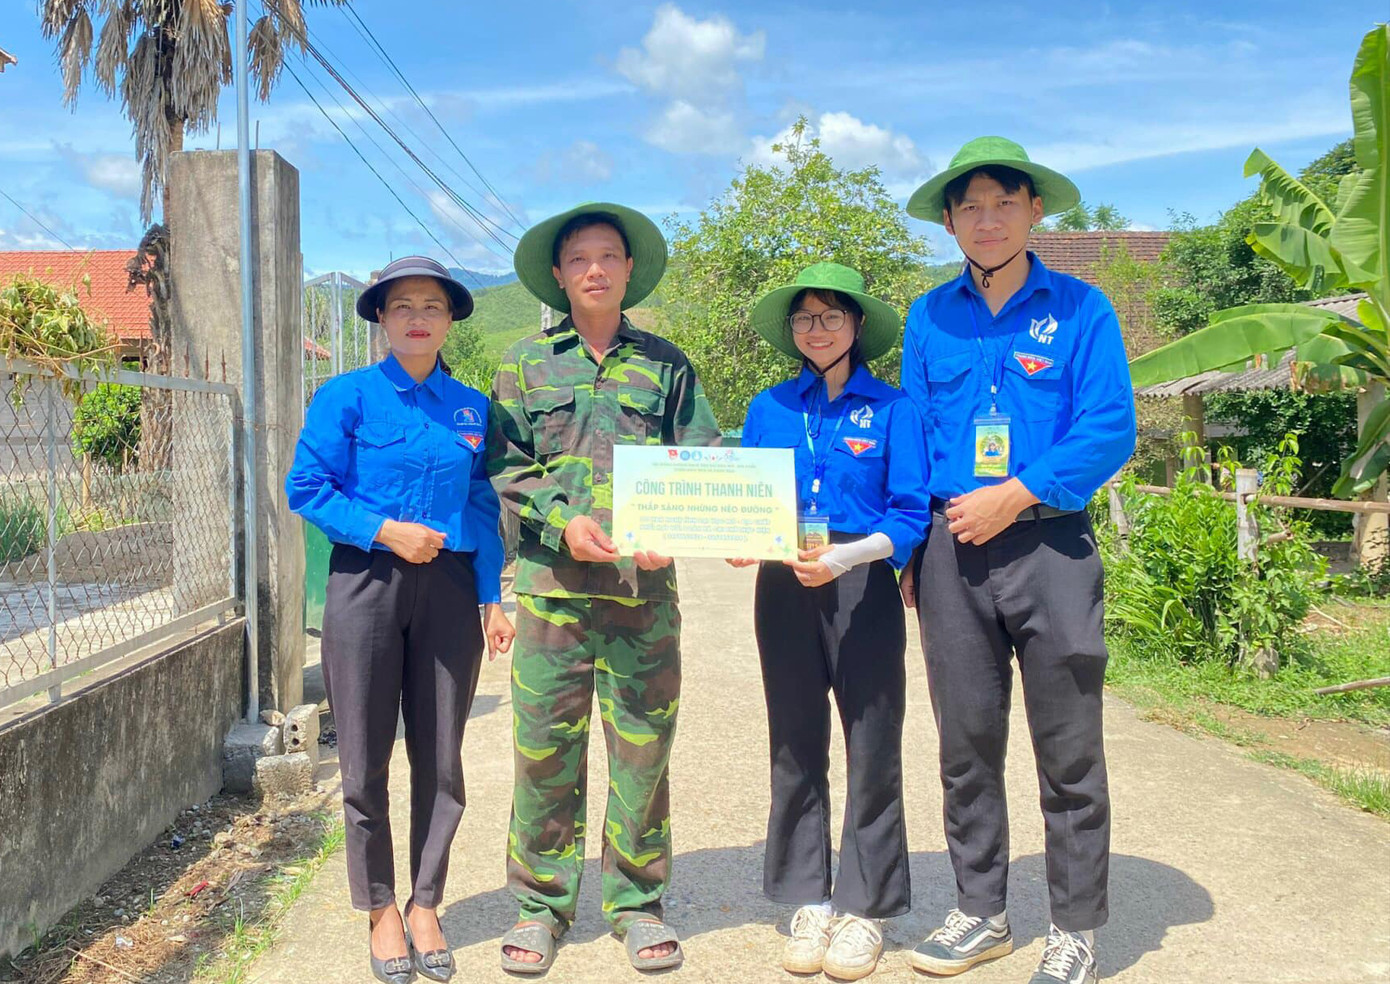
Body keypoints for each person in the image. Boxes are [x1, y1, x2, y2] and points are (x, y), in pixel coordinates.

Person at [898, 137, 1136, 984]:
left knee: (1068, 745)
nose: (988, 219)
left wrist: (1020, 491)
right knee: (965, 741)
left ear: (1034, 211)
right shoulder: (928, 318)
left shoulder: (1082, 310)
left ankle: (1075, 926)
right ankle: (981, 912)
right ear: (950, 222)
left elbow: (1109, 426)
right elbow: (913, 436)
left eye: (1004, 203)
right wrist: (910, 552)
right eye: (970, 206)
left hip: (1051, 544)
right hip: (951, 549)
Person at [486, 203, 721, 974]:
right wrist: (563, 523)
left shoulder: (667, 365)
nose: (595, 269)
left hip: (642, 599)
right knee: (544, 754)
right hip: (552, 596)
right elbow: (505, 465)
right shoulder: (523, 364)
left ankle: (637, 904)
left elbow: (700, 458)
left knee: (643, 752)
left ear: (628, 269)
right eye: (580, 258)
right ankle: (540, 907)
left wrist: (682, 527)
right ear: (558, 274)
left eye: (609, 255)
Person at [285, 256, 515, 984]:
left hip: (449, 586)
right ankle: (380, 906)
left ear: (449, 321)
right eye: (403, 305)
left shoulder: (471, 408)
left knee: (442, 757)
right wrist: (386, 531)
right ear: (382, 318)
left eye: (432, 306)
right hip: (367, 583)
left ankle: (425, 902)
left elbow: (481, 502)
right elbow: (306, 487)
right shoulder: (345, 396)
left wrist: (490, 596)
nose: (418, 316)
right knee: (363, 756)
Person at [731, 263, 930, 980]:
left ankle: (866, 907)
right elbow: (744, 496)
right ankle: (808, 896)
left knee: (872, 743)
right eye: (804, 318)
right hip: (784, 584)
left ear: (857, 326)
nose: (816, 329)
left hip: (862, 583)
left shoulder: (894, 409)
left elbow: (910, 513)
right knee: (794, 738)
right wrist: (739, 537)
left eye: (830, 316)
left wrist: (848, 557)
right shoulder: (769, 407)